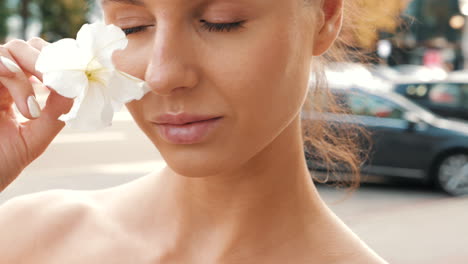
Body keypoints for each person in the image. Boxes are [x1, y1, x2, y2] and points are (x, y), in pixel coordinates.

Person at [0, 0, 387, 263]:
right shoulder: (26, 237)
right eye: (133, 27)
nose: (163, 75)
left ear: (326, 15)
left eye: (222, 21)